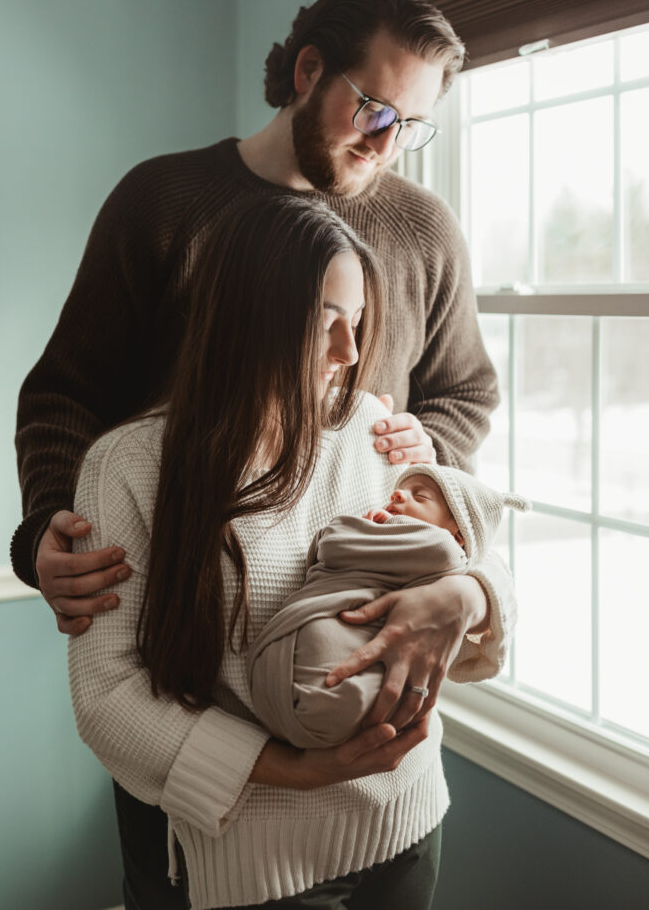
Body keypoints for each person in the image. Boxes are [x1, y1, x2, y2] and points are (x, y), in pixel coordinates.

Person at [12, 0, 500, 906]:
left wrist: (407, 456)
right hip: (192, 666)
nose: (387, 141)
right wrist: (45, 529)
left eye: (412, 122)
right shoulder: (162, 203)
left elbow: (465, 395)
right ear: (307, 71)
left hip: (356, 686)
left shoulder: (422, 230)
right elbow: (67, 393)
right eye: (371, 106)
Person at [68, 194, 515, 910]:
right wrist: (294, 768)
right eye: (324, 322)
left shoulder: (374, 431)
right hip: (249, 863)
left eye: (358, 322)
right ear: (243, 319)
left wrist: (467, 594)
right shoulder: (127, 468)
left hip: (406, 819)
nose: (347, 355)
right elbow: (108, 698)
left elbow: (475, 554)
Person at [248, 466, 527, 748]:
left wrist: (365, 530)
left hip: (338, 683)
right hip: (278, 682)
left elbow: (332, 541)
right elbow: (327, 554)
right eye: (402, 490)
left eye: (419, 496)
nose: (396, 494)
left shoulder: (443, 552)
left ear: (457, 535)